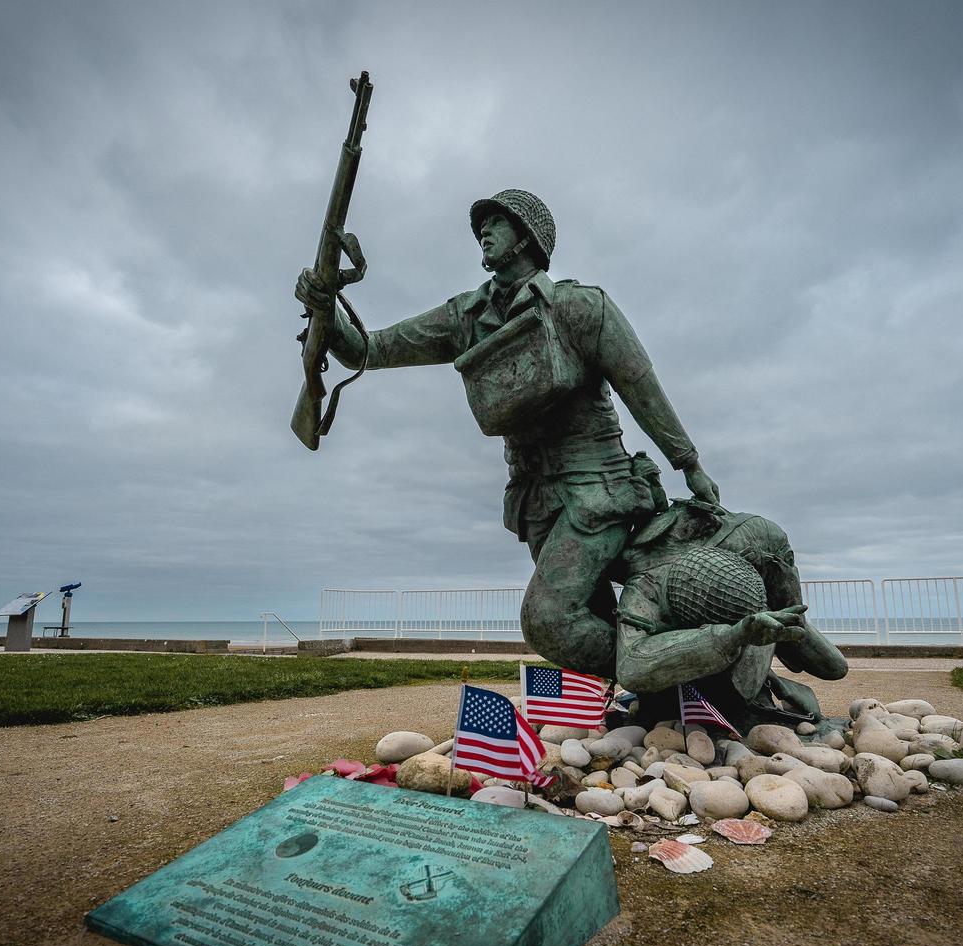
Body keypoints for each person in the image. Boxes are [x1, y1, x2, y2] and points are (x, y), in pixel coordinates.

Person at [295, 189, 717, 676]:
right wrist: (326, 307)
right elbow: (371, 350)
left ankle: (689, 672)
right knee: (594, 617)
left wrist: (689, 464)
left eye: (496, 222)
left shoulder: (580, 307)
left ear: (526, 237)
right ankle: (673, 690)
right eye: (482, 226)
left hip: (596, 492)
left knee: (549, 622)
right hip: (534, 500)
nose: (483, 232)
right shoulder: (465, 316)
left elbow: (641, 388)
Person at [610, 499, 848, 730]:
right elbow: (632, 668)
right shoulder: (647, 585)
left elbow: (833, 668)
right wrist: (732, 636)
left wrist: (789, 599)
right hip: (679, 702)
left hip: (738, 692)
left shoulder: (752, 564)